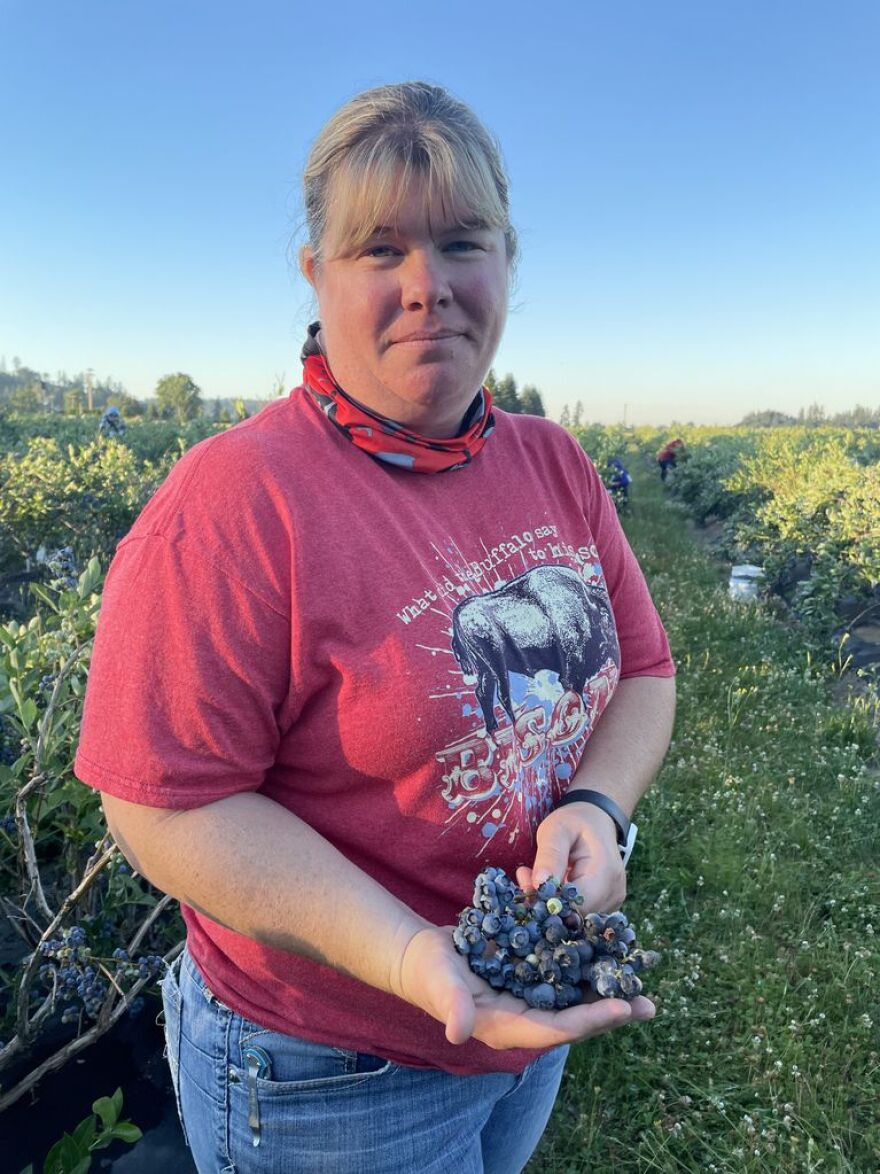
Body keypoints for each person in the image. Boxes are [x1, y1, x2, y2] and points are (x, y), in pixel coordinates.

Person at [74, 82, 676, 1174]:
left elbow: (641, 667)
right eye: (378, 249)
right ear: (314, 270)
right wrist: (411, 956)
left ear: (508, 259)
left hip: (521, 1029)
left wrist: (596, 803)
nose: (425, 287)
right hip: (326, 1074)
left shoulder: (553, 461)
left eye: (460, 242)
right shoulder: (233, 503)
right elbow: (161, 803)